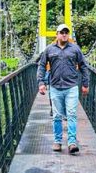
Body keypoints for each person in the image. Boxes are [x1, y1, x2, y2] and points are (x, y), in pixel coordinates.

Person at [37, 24, 90, 154]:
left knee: (71, 114)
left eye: (66, 32)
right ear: (57, 34)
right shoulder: (49, 49)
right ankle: (58, 141)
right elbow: (42, 66)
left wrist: (85, 84)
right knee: (57, 116)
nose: (64, 34)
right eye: (62, 32)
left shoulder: (75, 49)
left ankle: (72, 142)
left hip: (71, 86)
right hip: (55, 87)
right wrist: (41, 82)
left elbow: (83, 66)